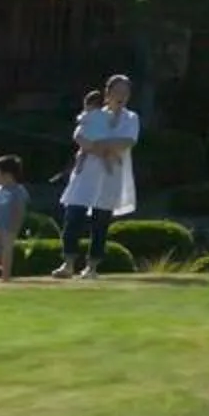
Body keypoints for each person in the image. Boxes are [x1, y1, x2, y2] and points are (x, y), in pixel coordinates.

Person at [56, 74, 140, 278]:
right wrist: (100, 149)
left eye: (125, 92)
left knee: (101, 220)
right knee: (74, 214)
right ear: (107, 93)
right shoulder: (93, 114)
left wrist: (99, 145)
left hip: (112, 175)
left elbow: (127, 142)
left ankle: (91, 266)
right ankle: (68, 263)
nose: (121, 96)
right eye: (117, 91)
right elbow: (80, 137)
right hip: (87, 172)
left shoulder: (131, 118)